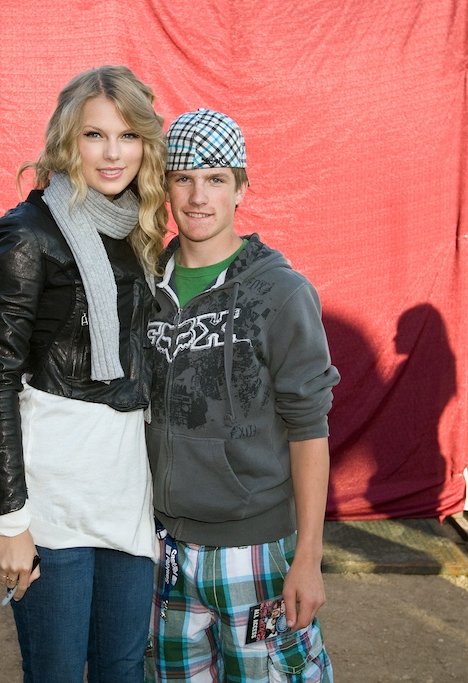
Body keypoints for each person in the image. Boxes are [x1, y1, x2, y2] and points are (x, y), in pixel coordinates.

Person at [0, 65, 168, 683]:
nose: (113, 154)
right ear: (67, 139)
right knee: (57, 671)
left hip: (125, 482)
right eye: (95, 135)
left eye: (128, 135)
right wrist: (12, 520)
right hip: (53, 489)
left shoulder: (140, 231)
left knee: (121, 668)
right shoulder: (26, 233)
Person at [144, 109, 340, 682]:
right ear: (165, 188)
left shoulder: (280, 293)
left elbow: (309, 428)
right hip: (163, 552)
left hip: (256, 552)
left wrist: (308, 557)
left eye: (216, 178)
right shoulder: (142, 287)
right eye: (183, 178)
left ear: (241, 189)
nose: (198, 196)